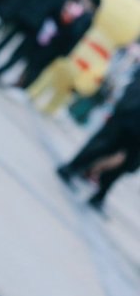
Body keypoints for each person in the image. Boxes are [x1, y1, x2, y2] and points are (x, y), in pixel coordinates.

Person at [56, 66, 140, 211]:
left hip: (131, 115)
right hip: (130, 113)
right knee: (104, 145)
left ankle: (99, 194)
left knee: (128, 162)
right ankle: (72, 168)